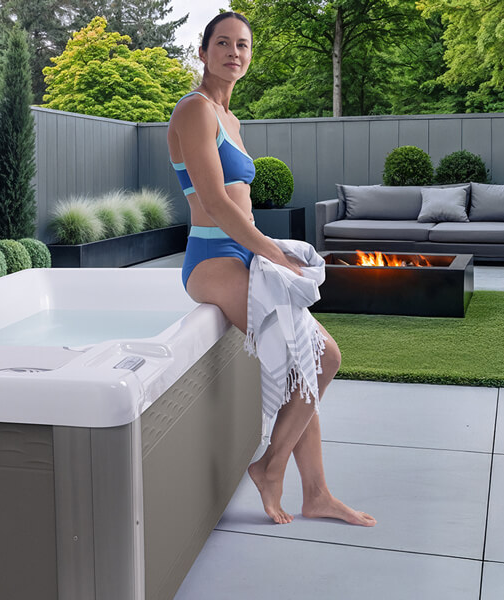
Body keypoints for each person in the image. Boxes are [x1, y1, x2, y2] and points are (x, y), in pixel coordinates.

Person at [167, 11, 375, 527]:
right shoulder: (194, 111)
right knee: (325, 355)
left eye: (242, 45)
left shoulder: (230, 119)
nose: (233, 52)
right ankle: (269, 468)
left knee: (308, 360)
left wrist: (267, 248)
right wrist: (271, 251)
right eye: (222, 43)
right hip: (213, 259)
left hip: (245, 252)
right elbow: (214, 202)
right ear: (202, 51)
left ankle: (318, 493)